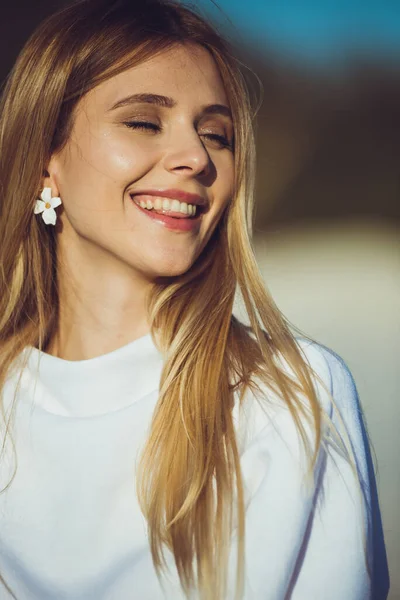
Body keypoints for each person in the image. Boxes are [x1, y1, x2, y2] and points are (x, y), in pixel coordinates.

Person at [0, 0, 389, 598]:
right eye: (143, 122)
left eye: (216, 134)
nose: (198, 158)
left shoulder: (292, 395)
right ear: (44, 161)